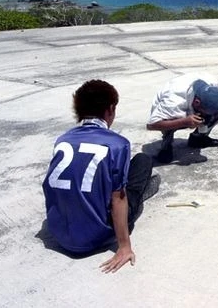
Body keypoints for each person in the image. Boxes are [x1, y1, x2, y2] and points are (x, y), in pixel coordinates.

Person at [42, 80, 159, 273]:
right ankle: (139, 195)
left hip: (61, 235)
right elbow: (118, 199)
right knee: (142, 161)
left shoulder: (63, 140)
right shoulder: (118, 144)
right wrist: (124, 247)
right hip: (96, 236)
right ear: (110, 109)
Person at [146, 73, 218, 163]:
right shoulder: (174, 101)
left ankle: (198, 138)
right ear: (197, 102)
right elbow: (151, 125)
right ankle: (166, 146)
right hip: (166, 113)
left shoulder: (211, 83)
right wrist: (184, 122)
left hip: (191, 104)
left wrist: (207, 116)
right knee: (173, 118)